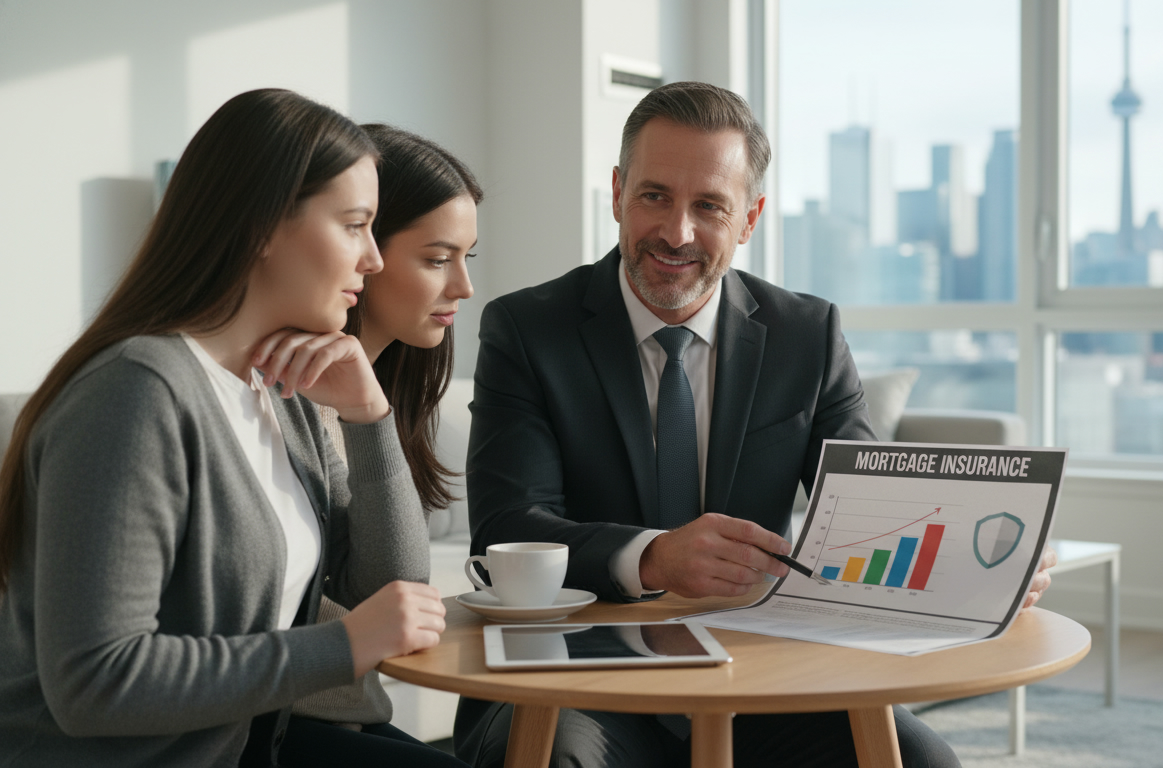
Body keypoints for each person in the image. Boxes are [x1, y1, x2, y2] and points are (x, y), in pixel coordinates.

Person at [457, 81, 1055, 768]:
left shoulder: (807, 334)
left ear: (749, 218)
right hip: (580, 676)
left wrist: (984, 569)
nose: (676, 232)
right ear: (618, 192)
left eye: (709, 205)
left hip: (761, 675)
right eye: (655, 195)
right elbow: (507, 526)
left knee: (925, 763)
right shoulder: (529, 329)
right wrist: (652, 557)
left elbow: (873, 506)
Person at [0, 89, 448, 767]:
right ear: (263, 226)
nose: (373, 260)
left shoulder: (280, 390)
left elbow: (394, 588)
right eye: (354, 225)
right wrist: (344, 646)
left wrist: (369, 415)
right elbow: (94, 682)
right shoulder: (137, 394)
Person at [282, 124, 481, 767]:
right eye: (435, 258)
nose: (463, 288)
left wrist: (372, 417)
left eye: (466, 258)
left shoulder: (375, 392)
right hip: (273, 721)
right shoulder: (283, 395)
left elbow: (392, 589)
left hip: (340, 715)